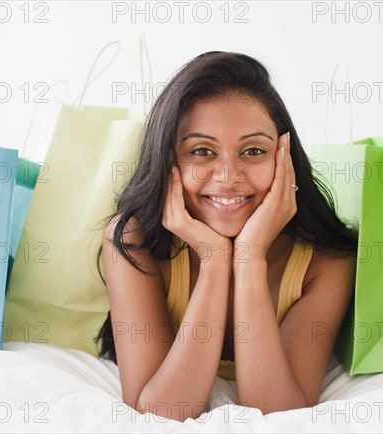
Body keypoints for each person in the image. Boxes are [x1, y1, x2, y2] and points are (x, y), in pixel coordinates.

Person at [96, 51, 357, 422]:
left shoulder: (326, 259)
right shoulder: (132, 242)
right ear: (167, 161)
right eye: (202, 151)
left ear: (284, 159)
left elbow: (279, 413)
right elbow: (163, 411)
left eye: (253, 151)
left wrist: (249, 259)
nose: (229, 175)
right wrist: (215, 260)